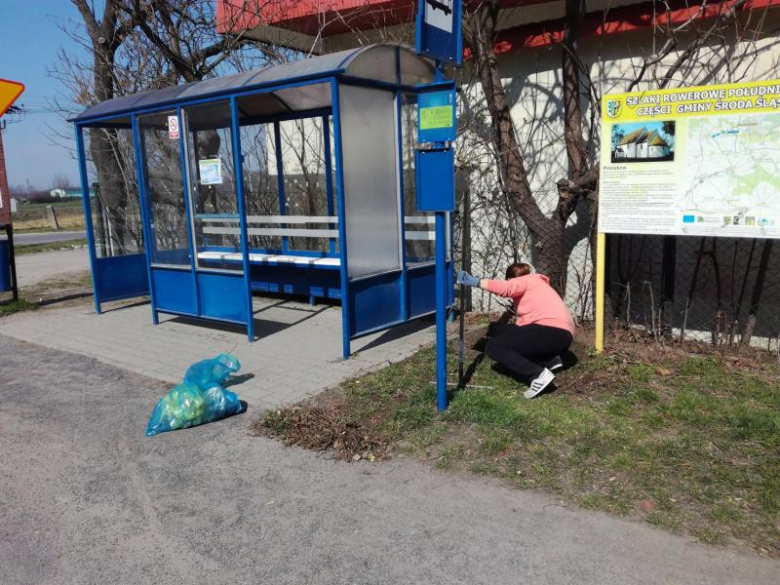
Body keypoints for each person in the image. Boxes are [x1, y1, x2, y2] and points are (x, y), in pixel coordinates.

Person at [457, 263, 575, 398]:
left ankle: (538, 374)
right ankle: (549, 360)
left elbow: (506, 288)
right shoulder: (539, 288)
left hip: (550, 330)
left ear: (511, 279)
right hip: (562, 335)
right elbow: (522, 330)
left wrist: (474, 281)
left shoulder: (527, 280)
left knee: (493, 347)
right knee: (512, 337)